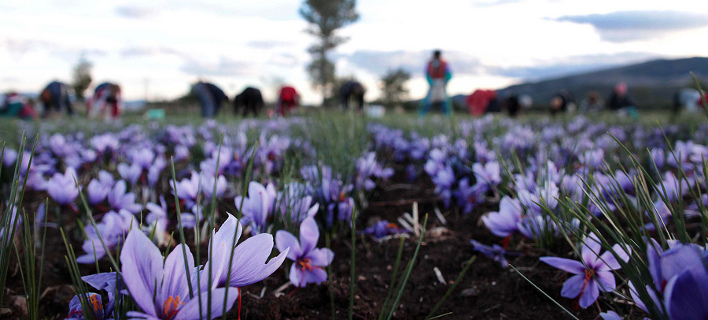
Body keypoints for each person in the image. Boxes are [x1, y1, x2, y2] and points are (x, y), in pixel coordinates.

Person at [420, 50, 452, 117]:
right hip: (433, 84)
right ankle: (422, 116)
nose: (437, 57)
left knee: (444, 101)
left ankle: (447, 116)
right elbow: (427, 74)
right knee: (428, 101)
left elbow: (449, 73)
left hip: (441, 83)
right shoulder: (430, 63)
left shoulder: (444, 63)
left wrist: (445, 80)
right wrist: (430, 82)